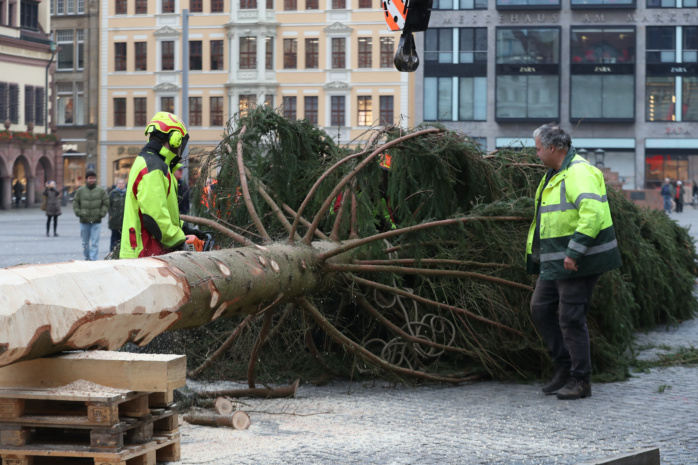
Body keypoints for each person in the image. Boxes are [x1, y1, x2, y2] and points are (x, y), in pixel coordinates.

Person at [526, 124, 622, 400]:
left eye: (538, 148)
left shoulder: (578, 172)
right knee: (540, 308)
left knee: (570, 318)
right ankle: (565, 367)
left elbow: (591, 214)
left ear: (553, 148)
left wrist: (574, 252)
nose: (536, 153)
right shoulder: (556, 173)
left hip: (577, 261)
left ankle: (581, 380)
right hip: (557, 260)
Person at [120, 112, 203, 258]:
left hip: (150, 250)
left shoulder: (157, 164)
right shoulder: (153, 167)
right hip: (144, 252)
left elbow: (165, 212)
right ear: (174, 139)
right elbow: (155, 218)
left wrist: (185, 229)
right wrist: (179, 240)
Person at [73, 170, 109, 260]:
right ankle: (86, 258)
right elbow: (75, 202)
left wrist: (102, 213)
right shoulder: (80, 191)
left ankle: (93, 259)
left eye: (93, 178)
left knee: (95, 242)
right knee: (85, 242)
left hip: (96, 221)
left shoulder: (101, 191)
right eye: (90, 178)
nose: (92, 180)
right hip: (84, 221)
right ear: (86, 179)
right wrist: (79, 212)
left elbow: (105, 203)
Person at [108, 179, 127, 252]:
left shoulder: (127, 193)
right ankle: (112, 253)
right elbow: (108, 204)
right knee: (114, 239)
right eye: (119, 183)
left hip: (124, 221)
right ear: (117, 185)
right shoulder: (113, 193)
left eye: (122, 183)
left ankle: (121, 253)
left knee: (123, 239)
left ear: (124, 184)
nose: (121, 185)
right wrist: (111, 214)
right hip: (115, 221)